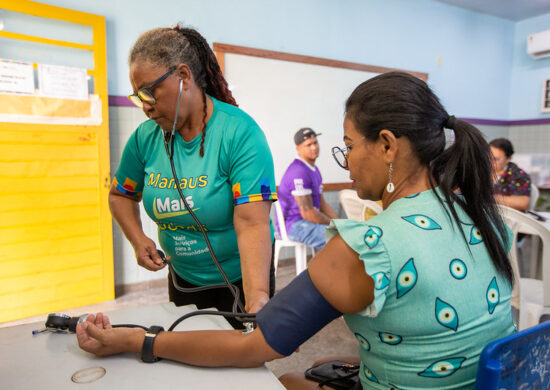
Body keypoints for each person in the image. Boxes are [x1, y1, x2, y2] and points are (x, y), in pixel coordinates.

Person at [77, 72, 515, 389]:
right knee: (326, 361)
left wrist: (138, 340)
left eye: (348, 145)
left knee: (287, 377)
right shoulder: (481, 213)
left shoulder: (370, 246)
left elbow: (254, 346)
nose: (342, 157)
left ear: (386, 145)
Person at [110, 25, 277, 327]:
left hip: (241, 277)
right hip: (184, 276)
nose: (146, 107)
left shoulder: (240, 134)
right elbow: (120, 194)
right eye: (138, 97)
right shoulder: (144, 138)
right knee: (189, 356)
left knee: (240, 363)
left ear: (183, 76)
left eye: (150, 92)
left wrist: (258, 296)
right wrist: (138, 240)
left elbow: (252, 222)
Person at [277, 128, 339, 250]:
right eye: (308, 145)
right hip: (294, 225)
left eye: (315, 143)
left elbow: (322, 203)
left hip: (308, 222)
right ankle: (325, 268)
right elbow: (308, 214)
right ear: (298, 148)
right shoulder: (298, 171)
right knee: (337, 239)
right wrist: (334, 225)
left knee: (343, 235)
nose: (314, 147)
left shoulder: (315, 170)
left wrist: (341, 223)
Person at [489, 138, 532, 211]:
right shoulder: (481, 170)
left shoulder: (518, 175)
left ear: (508, 158)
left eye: (495, 159)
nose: (489, 161)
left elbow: (523, 203)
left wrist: (489, 198)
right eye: (488, 156)